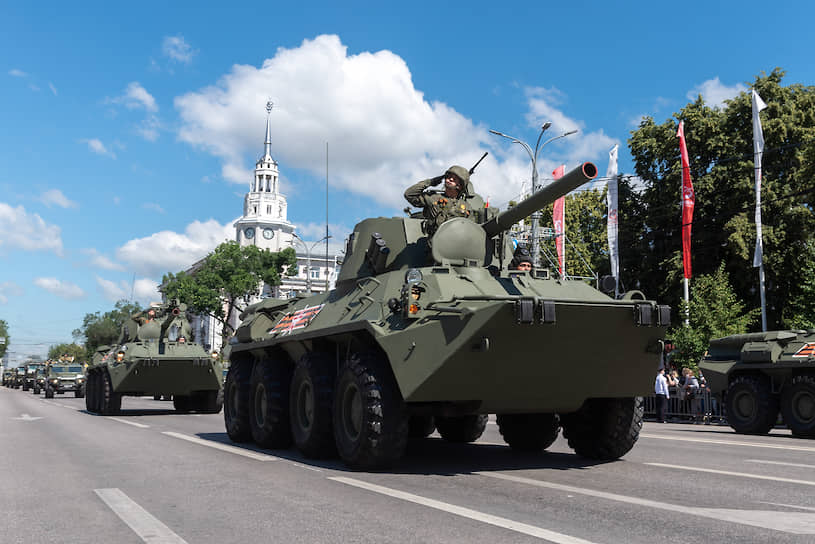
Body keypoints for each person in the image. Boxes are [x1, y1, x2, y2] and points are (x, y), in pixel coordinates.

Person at [404, 165, 481, 235]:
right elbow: (409, 194)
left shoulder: (466, 207)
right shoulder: (433, 198)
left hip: (457, 247)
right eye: (448, 177)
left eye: (454, 179)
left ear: (460, 185)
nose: (450, 179)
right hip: (434, 246)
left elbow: (471, 231)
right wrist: (430, 182)